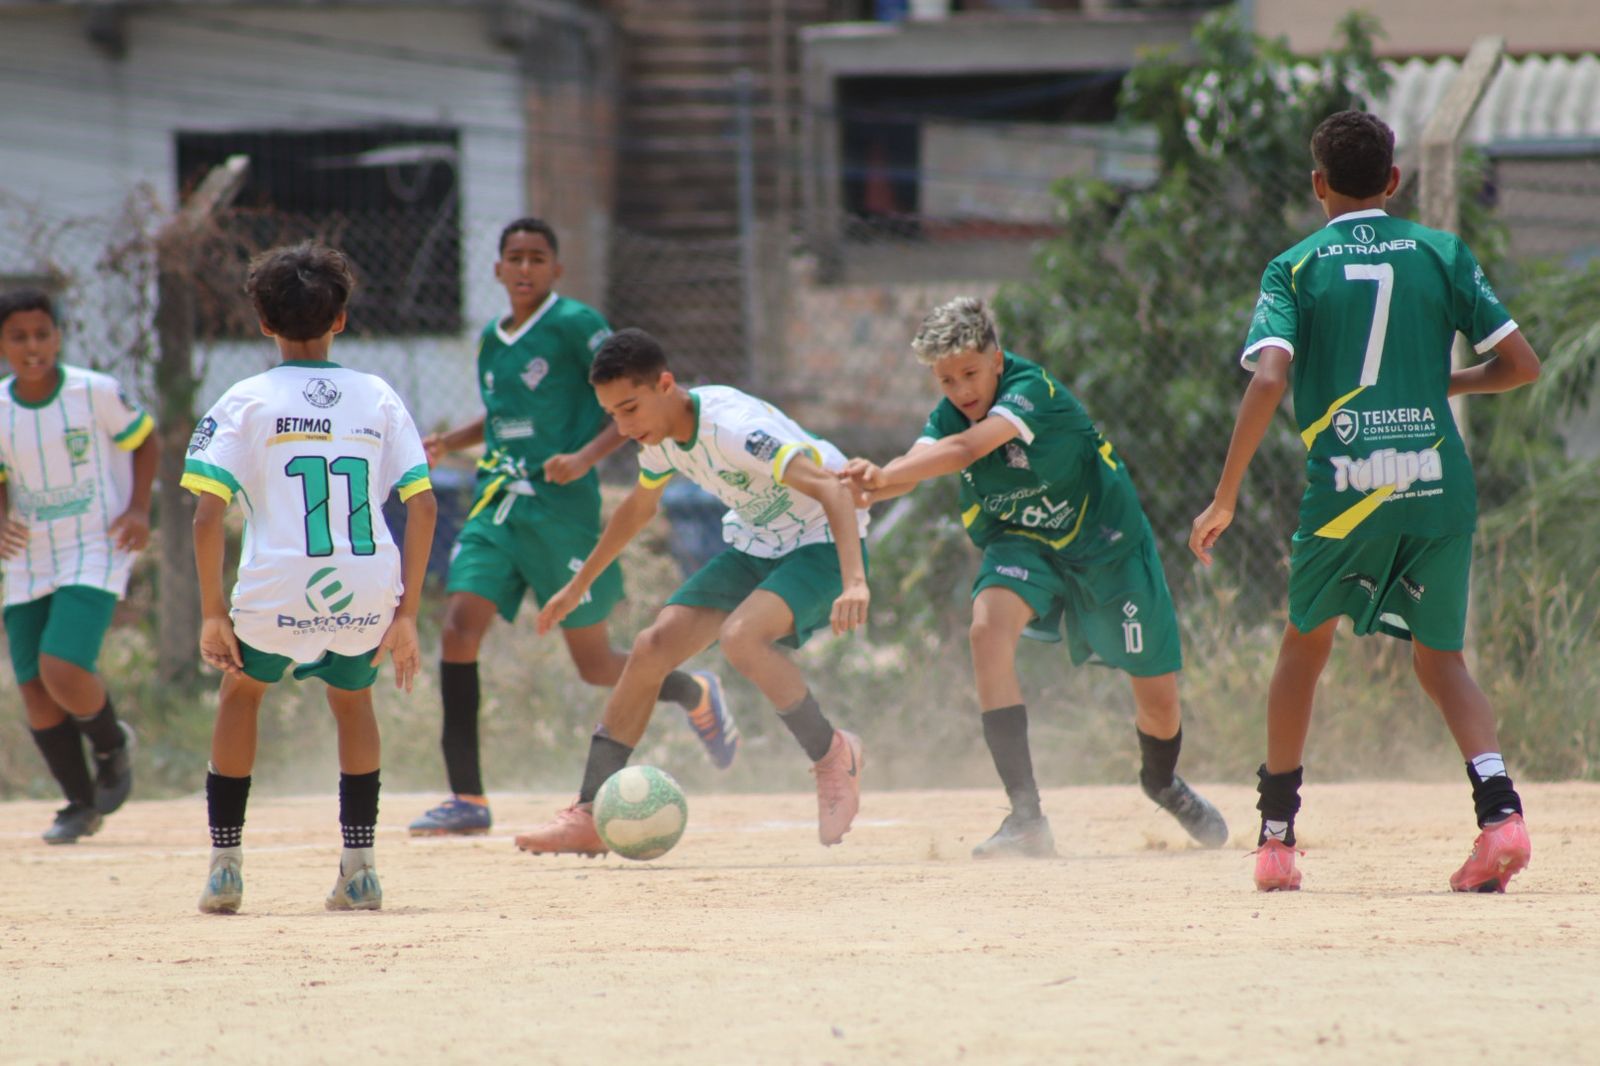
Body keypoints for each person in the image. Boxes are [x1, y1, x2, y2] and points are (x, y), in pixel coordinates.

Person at [1189, 110, 1542, 893]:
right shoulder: (1441, 251)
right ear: (1394, 180)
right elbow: (1520, 365)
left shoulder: (1295, 267)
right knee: (1441, 657)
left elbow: (1270, 377)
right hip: (1436, 482)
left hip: (1348, 488)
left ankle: (1277, 838)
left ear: (1317, 184)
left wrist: (1225, 495)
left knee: (1304, 647)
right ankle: (1501, 816)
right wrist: (1438, 383)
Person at [843, 297, 1228, 859]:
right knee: (986, 632)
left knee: (1158, 702)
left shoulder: (1032, 392)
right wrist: (871, 482)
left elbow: (965, 451)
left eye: (971, 373)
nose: (961, 390)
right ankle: (1026, 819)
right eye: (946, 380)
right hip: (1023, 542)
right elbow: (917, 463)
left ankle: (1162, 781)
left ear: (997, 358)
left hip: (1107, 546)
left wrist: (883, 475)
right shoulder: (952, 414)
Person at [409, 218, 735, 839]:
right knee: (457, 630)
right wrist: (451, 440)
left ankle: (692, 690)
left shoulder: (577, 324)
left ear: (556, 270)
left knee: (592, 665)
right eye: (514, 258)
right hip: (498, 501)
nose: (525, 268)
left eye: (537, 257)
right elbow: (505, 413)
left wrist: (586, 458)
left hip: (564, 512)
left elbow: (629, 398)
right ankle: (467, 798)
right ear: (498, 270)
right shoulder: (490, 339)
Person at [513, 328, 870, 854]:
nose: (624, 426)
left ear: (665, 385)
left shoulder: (732, 428)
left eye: (630, 408)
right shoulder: (660, 438)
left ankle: (832, 754)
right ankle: (589, 813)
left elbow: (833, 489)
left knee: (742, 638)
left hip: (821, 537)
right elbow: (639, 507)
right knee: (651, 648)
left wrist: (856, 580)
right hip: (759, 542)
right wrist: (577, 585)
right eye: (612, 415)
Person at [183, 243, 437, 913]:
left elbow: (207, 517)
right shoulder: (377, 395)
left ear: (262, 323)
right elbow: (424, 505)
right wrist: (407, 616)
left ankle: (225, 867)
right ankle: (359, 871)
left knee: (243, 694)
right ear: (342, 320)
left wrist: (212, 612)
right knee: (353, 704)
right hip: (365, 586)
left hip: (277, 587)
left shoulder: (246, 399)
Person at [0, 288, 155, 844]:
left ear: (58, 336)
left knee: (61, 666)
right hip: (26, 554)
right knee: (34, 689)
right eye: (19, 337)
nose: (32, 346)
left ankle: (112, 745)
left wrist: (138, 507)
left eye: (42, 334)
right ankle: (78, 803)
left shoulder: (95, 392)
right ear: (3, 344)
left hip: (94, 542)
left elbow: (145, 440)